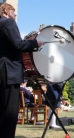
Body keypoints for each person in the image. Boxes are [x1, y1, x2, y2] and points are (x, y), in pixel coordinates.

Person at [0, 3, 44, 138]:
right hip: (9, 72)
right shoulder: (8, 23)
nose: (15, 16)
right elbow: (19, 44)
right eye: (14, 13)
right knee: (10, 112)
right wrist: (36, 43)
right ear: (6, 11)